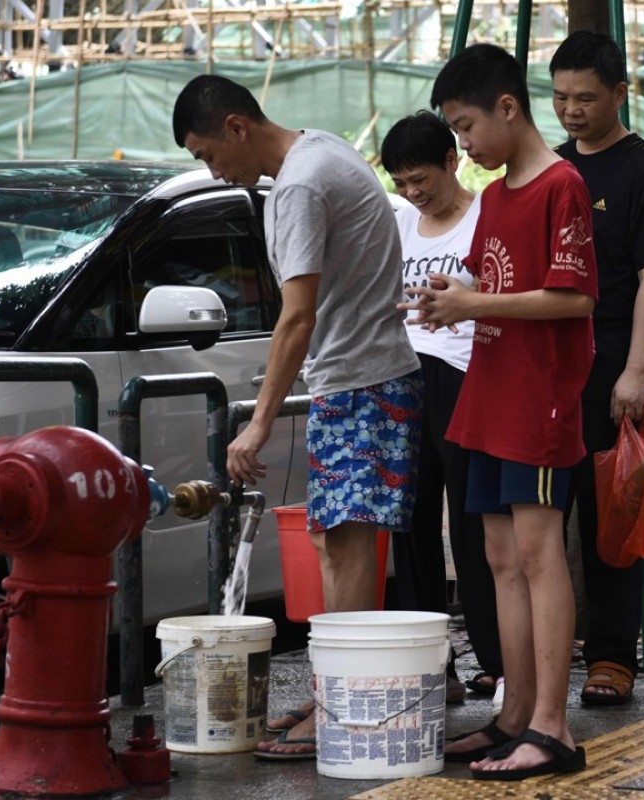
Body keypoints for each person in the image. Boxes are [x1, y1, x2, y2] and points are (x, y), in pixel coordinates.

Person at [172, 75, 422, 760]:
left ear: (236, 127)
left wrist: (257, 424)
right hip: (361, 378)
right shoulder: (320, 156)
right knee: (335, 544)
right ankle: (332, 693)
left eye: (206, 154)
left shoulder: (303, 183)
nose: (212, 169)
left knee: (344, 547)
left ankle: (342, 705)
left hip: (362, 381)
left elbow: (298, 315)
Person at [405, 42, 596, 780]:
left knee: (540, 556)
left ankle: (553, 727)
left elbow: (574, 297)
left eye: (465, 127)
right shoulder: (495, 195)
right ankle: (515, 715)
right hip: (487, 393)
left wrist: (474, 301)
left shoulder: (561, 184)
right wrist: (450, 301)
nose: (464, 144)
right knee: (496, 557)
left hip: (538, 400)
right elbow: (492, 281)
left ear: (507, 109)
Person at [549, 30, 644, 707]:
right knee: (543, 516)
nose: (572, 111)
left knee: (613, 514)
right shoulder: (550, 167)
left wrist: (637, 371)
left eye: (586, 98)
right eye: (561, 97)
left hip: (609, 364)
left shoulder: (643, 171)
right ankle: (538, 655)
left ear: (620, 94)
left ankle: (611, 658)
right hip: (547, 367)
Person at [381, 111, 503, 700]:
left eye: (420, 179)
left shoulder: (487, 216)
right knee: (412, 526)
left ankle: (497, 659)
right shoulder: (403, 222)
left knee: (475, 526)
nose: (412, 193)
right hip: (405, 377)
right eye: (402, 182)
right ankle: (433, 667)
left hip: (465, 376)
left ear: (453, 161)